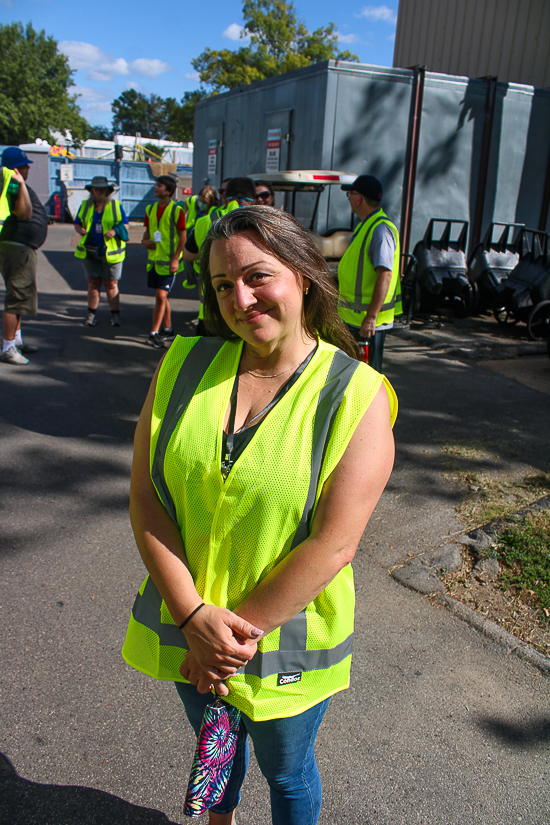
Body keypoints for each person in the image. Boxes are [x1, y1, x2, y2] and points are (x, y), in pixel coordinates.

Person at [122, 206, 397, 825]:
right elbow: (146, 495)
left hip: (283, 638)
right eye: (222, 285)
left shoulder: (356, 393)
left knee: (287, 771)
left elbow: (334, 544)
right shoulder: (183, 364)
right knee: (216, 744)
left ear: (303, 274)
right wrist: (193, 616)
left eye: (256, 276)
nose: (240, 299)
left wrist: (222, 641)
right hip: (192, 621)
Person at [338, 174, 402, 372]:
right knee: (353, 374)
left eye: (350, 194)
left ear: (359, 198)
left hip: (366, 322)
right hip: (355, 319)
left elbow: (385, 274)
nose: (348, 198)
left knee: (366, 377)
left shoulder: (380, 230)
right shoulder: (368, 226)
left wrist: (371, 317)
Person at [183, 177, 256, 334]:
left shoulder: (204, 221)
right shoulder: (257, 223)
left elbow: (188, 254)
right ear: (254, 200)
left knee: (208, 357)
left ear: (224, 197)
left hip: (210, 310)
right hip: (246, 311)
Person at [0, 147, 40, 366]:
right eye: (25, 165)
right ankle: (8, 347)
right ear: (16, 168)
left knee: (22, 295)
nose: (28, 169)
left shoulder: (8, 181)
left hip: (17, 248)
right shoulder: (14, 183)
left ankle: (16, 340)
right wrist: (22, 184)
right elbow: (24, 212)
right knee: (16, 297)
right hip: (14, 249)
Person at [74, 176, 129, 327]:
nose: (98, 191)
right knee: (93, 283)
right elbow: (77, 222)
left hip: (110, 252)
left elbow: (125, 224)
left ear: (107, 191)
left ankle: (115, 316)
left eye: (101, 189)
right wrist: (79, 229)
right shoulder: (85, 205)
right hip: (90, 250)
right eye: (95, 189)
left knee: (111, 284)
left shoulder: (115, 205)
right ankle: (91, 314)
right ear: (91, 191)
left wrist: (114, 231)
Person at [142, 175, 186, 348]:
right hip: (154, 262)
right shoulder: (150, 209)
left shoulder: (176, 210)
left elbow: (183, 235)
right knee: (162, 297)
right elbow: (147, 233)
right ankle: (168, 329)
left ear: (168, 191)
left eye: (159, 186)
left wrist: (176, 258)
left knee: (161, 296)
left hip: (169, 263)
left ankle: (154, 333)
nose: (155, 188)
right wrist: (144, 242)